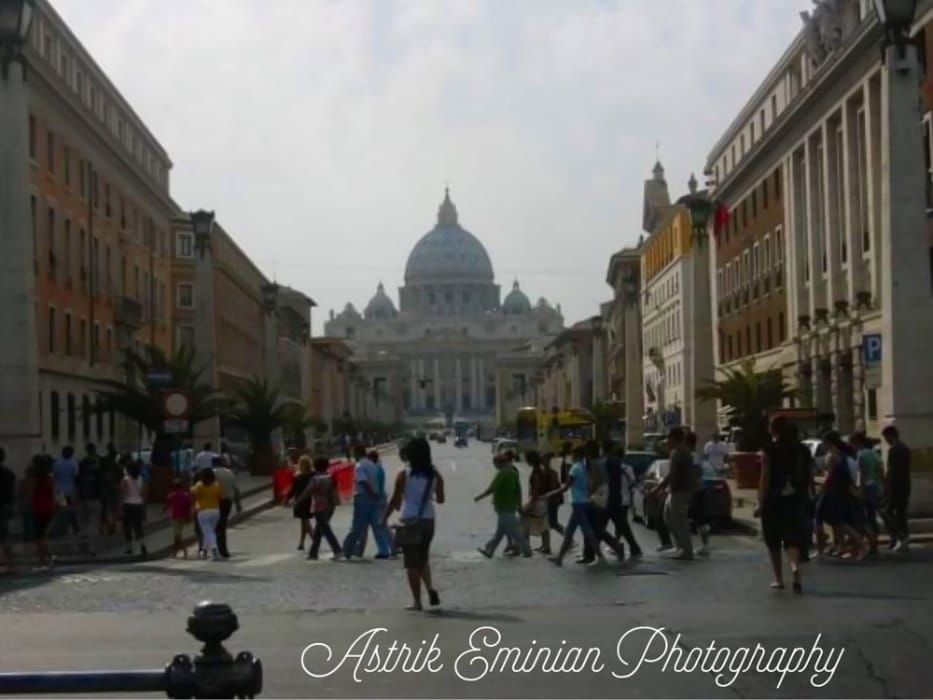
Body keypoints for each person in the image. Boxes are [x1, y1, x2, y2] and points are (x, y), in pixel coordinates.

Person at [383, 437, 445, 610]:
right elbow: (441, 499)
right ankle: (430, 588)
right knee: (423, 557)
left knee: (411, 563)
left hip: (410, 520)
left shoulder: (404, 473)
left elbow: (395, 500)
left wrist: (383, 518)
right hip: (429, 520)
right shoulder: (435, 474)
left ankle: (417, 602)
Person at [757, 416, 807, 592]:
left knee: (773, 540)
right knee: (792, 538)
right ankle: (795, 567)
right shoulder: (800, 449)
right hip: (793, 498)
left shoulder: (769, 450)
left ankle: (779, 579)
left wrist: (760, 502)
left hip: (773, 499)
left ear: (772, 429)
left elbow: (765, 477)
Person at [544, 445, 607, 567]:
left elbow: (566, 487)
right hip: (583, 502)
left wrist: (550, 494)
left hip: (578, 504)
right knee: (569, 532)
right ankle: (559, 558)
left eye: (572, 455)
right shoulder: (584, 468)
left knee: (587, 532)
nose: (571, 457)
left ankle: (600, 557)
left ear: (576, 455)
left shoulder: (575, 468)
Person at [818, 431, 864, 560]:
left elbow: (830, 476)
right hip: (841, 492)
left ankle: (860, 546)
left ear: (828, 443)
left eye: (824, 443)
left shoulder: (832, 456)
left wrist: (822, 488)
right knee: (837, 522)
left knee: (838, 522)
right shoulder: (842, 455)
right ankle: (842, 547)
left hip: (832, 492)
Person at [476, 454, 532, 558]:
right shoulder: (513, 472)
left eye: (495, 464)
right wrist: (519, 504)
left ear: (499, 463)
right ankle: (490, 549)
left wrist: (480, 496)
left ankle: (527, 551)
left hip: (504, 507)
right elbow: (518, 489)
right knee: (500, 532)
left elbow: (492, 488)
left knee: (516, 532)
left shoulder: (502, 473)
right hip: (509, 506)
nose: (495, 466)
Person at [342, 445, 390, 560]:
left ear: (357, 453)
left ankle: (347, 550)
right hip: (374, 498)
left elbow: (363, 481)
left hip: (363, 497)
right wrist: (375, 493)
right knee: (376, 525)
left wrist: (371, 492)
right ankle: (384, 550)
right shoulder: (372, 465)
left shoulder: (359, 465)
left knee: (356, 527)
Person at [654, 427, 695, 560]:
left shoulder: (677, 453)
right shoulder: (685, 452)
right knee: (668, 516)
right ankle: (679, 546)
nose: (667, 441)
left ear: (673, 438)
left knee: (679, 521)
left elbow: (672, 474)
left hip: (680, 491)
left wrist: (658, 488)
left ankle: (686, 550)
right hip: (679, 490)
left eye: (669, 438)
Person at [604, 441, 643, 561]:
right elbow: (633, 482)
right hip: (625, 499)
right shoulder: (628, 468)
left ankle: (619, 545)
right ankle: (626, 546)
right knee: (621, 524)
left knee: (620, 524)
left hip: (615, 498)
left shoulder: (610, 464)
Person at [300, 456, 343, 560]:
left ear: (315, 467)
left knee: (326, 530)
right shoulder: (330, 477)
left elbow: (308, 491)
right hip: (331, 506)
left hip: (320, 508)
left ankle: (338, 550)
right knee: (319, 530)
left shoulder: (316, 479)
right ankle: (313, 553)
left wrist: (298, 501)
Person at [882, 425, 911, 553]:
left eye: (886, 438)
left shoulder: (894, 450)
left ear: (890, 436)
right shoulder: (905, 448)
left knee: (887, 511)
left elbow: (891, 470)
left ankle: (900, 536)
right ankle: (903, 537)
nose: (886, 441)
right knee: (901, 513)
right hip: (905, 484)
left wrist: (886, 485)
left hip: (895, 485)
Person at [852, 433, 882, 555]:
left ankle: (869, 543)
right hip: (876, 487)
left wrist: (861, 490)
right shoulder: (874, 453)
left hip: (867, 488)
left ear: (857, 442)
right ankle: (874, 543)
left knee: (863, 517)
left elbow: (862, 474)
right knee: (872, 516)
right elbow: (881, 470)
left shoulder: (860, 455)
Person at [685, 432, 710, 556]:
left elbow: (695, 474)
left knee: (699, 519)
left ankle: (704, 546)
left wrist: (690, 492)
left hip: (696, 491)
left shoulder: (693, 456)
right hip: (697, 490)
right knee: (696, 519)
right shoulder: (694, 456)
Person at [521, 451, 550, 554]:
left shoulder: (536, 472)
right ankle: (546, 546)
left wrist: (531, 504)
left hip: (537, 501)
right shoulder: (540, 471)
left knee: (524, 521)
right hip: (543, 501)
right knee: (544, 524)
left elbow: (536, 489)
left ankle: (526, 547)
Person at [212, 456, 241, 559]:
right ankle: (223, 550)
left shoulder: (213, 473)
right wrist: (238, 503)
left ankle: (217, 550)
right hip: (227, 501)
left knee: (216, 527)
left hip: (216, 502)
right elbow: (236, 489)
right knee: (222, 526)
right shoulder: (229, 472)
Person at [191, 468, 222, 561]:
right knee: (209, 532)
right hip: (215, 510)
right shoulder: (216, 485)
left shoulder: (199, 485)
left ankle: (214, 551)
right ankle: (204, 551)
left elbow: (193, 496)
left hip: (203, 511)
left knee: (208, 532)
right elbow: (219, 497)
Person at [30, 456, 55, 568]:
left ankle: (43, 561)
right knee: (42, 535)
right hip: (47, 508)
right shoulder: (49, 477)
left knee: (38, 537)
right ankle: (49, 557)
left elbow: (30, 492)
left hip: (37, 507)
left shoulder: (35, 477)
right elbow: (53, 492)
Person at [285, 455, 315, 550]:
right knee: (304, 522)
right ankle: (302, 543)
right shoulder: (313, 475)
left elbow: (293, 490)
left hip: (301, 502)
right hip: (310, 501)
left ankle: (315, 541)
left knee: (305, 522)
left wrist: (287, 499)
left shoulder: (299, 476)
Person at [51, 445, 80, 540]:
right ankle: (73, 527)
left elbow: (54, 476)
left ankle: (66, 527)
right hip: (69, 490)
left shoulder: (56, 463)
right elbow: (75, 476)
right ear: (71, 453)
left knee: (62, 509)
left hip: (59, 490)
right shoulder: (73, 463)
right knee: (70, 509)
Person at [120, 456, 148, 557]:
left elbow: (123, 493)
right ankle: (143, 545)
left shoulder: (125, 479)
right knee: (138, 527)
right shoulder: (141, 479)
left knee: (127, 527)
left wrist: (120, 506)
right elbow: (143, 494)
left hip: (128, 504)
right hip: (138, 504)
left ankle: (129, 548)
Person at [164, 478, 193, 558]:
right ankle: (174, 553)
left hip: (176, 516)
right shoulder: (186, 495)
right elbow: (190, 507)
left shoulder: (171, 495)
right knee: (176, 535)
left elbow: (167, 505)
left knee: (178, 535)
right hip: (184, 516)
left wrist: (163, 511)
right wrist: (190, 517)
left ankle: (184, 551)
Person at [0, 448, 16, 573]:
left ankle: (4, 562)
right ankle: (10, 564)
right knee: (5, 535)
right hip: (6, 505)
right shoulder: (9, 473)